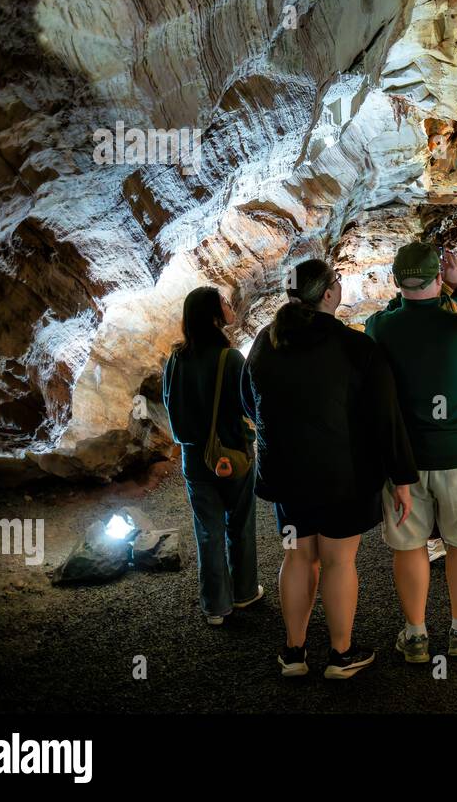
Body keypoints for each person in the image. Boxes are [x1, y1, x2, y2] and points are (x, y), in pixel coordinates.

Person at [243, 259, 418, 679]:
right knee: (339, 561)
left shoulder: (266, 344)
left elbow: (249, 404)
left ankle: (294, 652)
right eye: (337, 282)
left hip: (286, 477)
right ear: (327, 294)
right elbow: (385, 418)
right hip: (345, 476)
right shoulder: (357, 349)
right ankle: (341, 655)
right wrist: (402, 478)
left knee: (298, 556)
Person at [366, 243, 457, 663]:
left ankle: (415, 635)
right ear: (437, 280)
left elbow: (392, 312)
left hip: (405, 459)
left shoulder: (380, 329)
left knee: (409, 545)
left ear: (396, 280)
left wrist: (403, 296)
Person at [162, 286, 261, 626]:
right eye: (221, 301)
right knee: (240, 523)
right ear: (213, 315)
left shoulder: (175, 360)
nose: (228, 304)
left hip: (194, 457)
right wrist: (248, 435)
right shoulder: (230, 359)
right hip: (233, 454)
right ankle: (245, 592)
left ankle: (216, 606)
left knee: (208, 530)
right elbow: (250, 404)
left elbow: (170, 404)